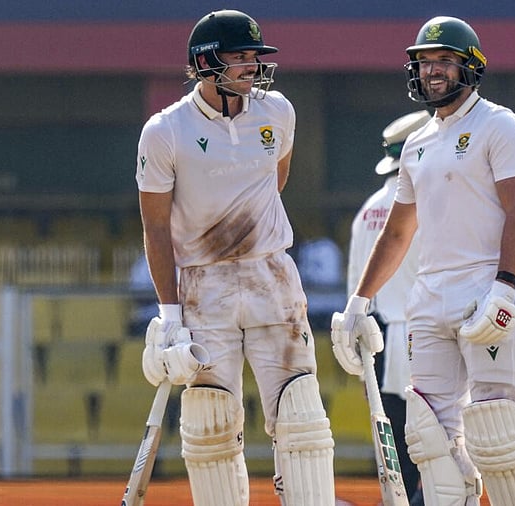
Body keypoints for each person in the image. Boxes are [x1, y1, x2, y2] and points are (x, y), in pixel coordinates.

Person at [331, 16, 515, 506]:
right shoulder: (417, 143)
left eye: (444, 62)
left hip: (485, 288)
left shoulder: (499, 124)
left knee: (496, 428)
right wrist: (359, 303)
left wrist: (504, 287)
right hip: (429, 294)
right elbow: (398, 231)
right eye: (425, 63)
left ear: (470, 68)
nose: (433, 71)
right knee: (429, 433)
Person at [135, 10, 335, 505]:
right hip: (204, 285)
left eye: (255, 57)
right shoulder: (165, 132)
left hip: (273, 276)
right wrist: (169, 316)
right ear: (206, 62)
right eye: (240, 57)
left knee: (301, 416)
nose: (252, 66)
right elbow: (156, 227)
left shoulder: (278, 112)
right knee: (210, 424)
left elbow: (274, 179)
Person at [347, 109, 431, 505]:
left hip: (381, 342)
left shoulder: (366, 212)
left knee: (395, 445)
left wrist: (365, 368)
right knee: (436, 440)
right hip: (428, 337)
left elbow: (355, 296)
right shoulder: (427, 204)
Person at [128, 252, 159, 336]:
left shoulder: (183, 259)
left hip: (180, 320)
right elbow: (138, 296)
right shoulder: (144, 263)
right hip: (147, 319)